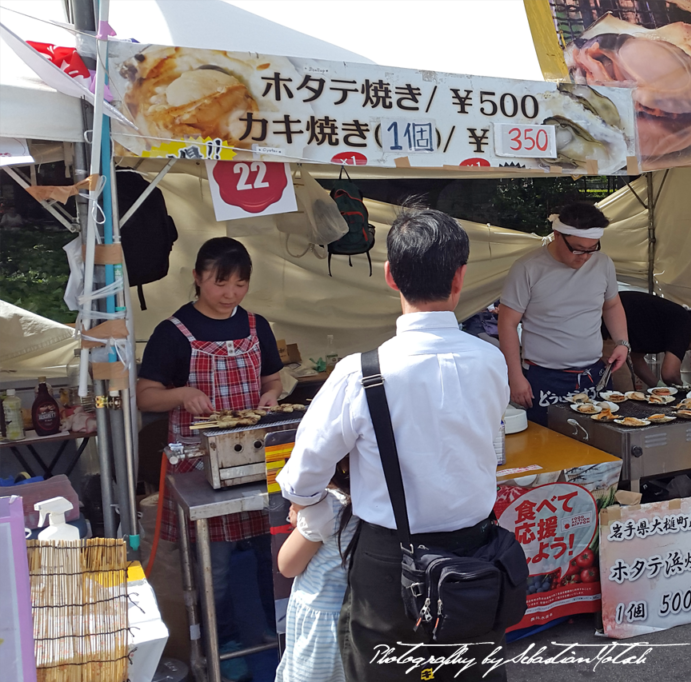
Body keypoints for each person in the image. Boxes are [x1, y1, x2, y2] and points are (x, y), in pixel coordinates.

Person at [276, 208, 510, 682]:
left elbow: (303, 477)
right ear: (460, 277)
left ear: (389, 276)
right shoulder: (491, 361)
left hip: (388, 559)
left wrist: (313, 507)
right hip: (476, 552)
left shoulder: (360, 372)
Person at [137, 237, 283, 681]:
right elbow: (146, 395)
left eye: (240, 284)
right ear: (198, 277)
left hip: (256, 459)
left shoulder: (257, 326)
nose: (231, 294)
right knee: (213, 567)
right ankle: (218, 649)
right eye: (222, 283)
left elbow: (273, 380)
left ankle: (272, 642)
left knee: (269, 554)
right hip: (200, 467)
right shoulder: (174, 332)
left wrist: (273, 396)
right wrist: (182, 394)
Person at [498, 202, 630, 426]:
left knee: (599, 441)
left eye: (592, 248)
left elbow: (612, 305)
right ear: (557, 235)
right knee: (547, 444)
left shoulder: (603, 262)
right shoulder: (528, 268)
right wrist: (515, 377)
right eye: (578, 248)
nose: (585, 256)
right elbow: (507, 323)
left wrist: (622, 342)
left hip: (594, 374)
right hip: (545, 376)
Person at [275, 462, 357, 682]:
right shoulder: (379, 501)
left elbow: (287, 566)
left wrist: (300, 517)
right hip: (359, 618)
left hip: (320, 626)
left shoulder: (328, 508)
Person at [602, 292, 691, 388]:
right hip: (604, 331)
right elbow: (670, 374)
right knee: (623, 391)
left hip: (608, 330)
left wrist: (658, 387)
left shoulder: (669, 321)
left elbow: (637, 360)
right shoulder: (685, 325)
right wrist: (686, 391)